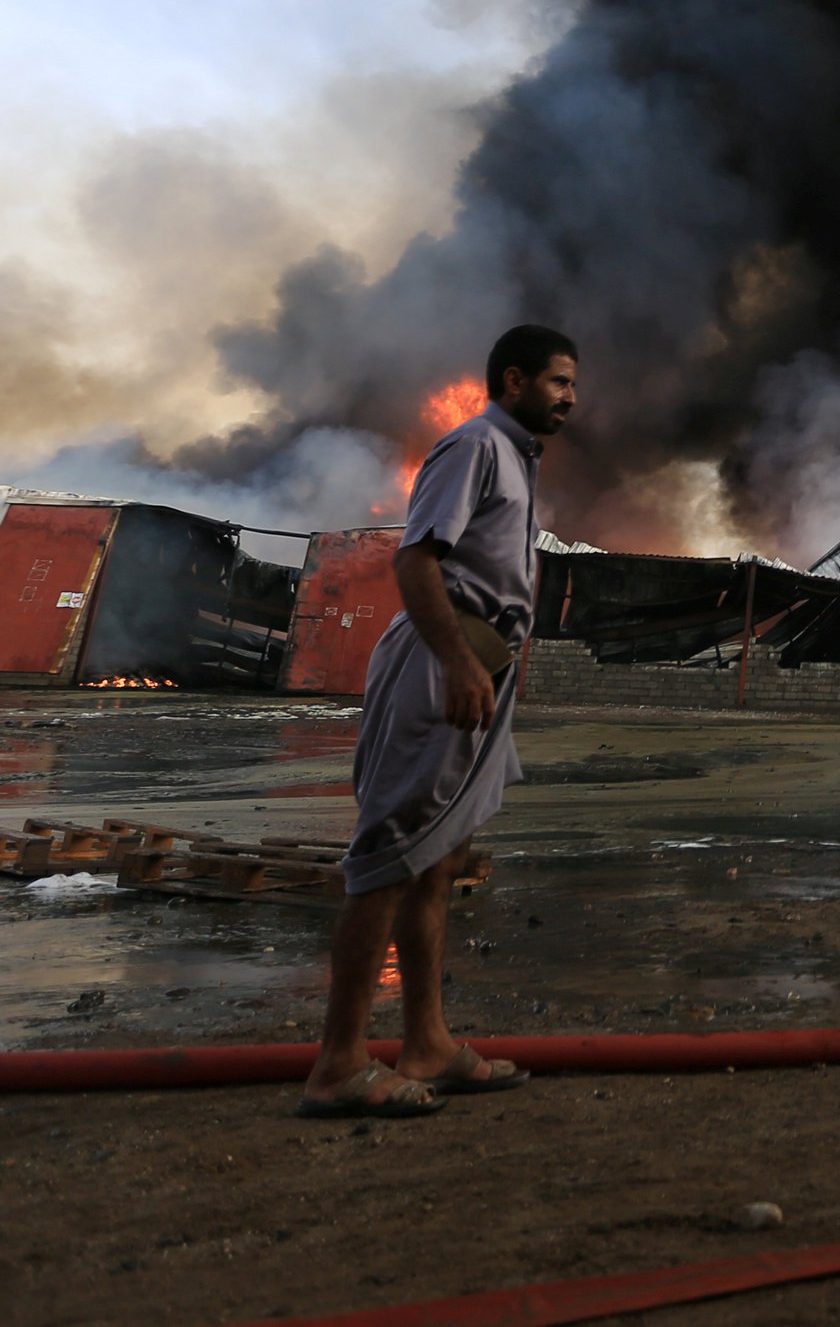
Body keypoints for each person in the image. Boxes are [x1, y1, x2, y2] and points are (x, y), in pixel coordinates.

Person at [300, 323, 575, 1119]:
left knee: (439, 858)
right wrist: (456, 661)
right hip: (440, 660)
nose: (571, 397)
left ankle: (426, 1042)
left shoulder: (516, 458)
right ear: (514, 378)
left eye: (573, 384)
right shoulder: (474, 446)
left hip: (479, 665)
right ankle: (338, 1062)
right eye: (559, 381)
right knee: (389, 852)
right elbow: (414, 559)